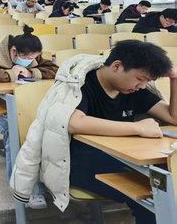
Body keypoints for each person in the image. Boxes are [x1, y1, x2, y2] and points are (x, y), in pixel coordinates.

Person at [11, 40, 177, 223]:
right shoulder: (81, 82)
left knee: (166, 181)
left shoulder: (133, 89)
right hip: (77, 162)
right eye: (140, 79)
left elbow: (173, 117)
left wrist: (174, 78)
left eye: (147, 81)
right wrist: (138, 127)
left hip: (122, 157)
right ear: (117, 66)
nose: (142, 86)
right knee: (154, 190)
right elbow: (74, 122)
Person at [0, 25, 58, 208]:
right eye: (26, 58)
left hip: (21, 107)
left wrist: (32, 72)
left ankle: (43, 183)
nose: (30, 60)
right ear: (13, 52)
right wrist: (11, 74)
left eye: (33, 58)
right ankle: (21, 188)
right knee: (13, 130)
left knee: (41, 130)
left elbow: (54, 69)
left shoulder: (32, 55)